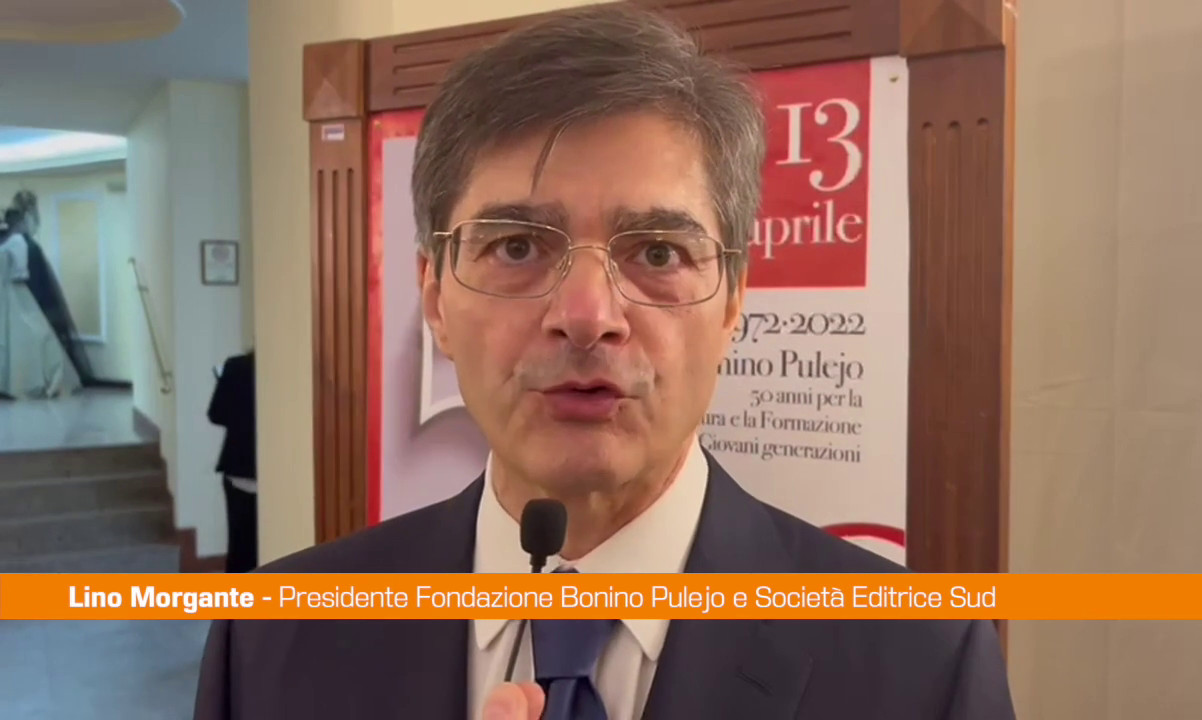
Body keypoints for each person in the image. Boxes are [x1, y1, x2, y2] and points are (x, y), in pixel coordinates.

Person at [193, 6, 1017, 720]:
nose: (587, 316)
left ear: (732, 303)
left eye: (657, 251)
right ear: (435, 298)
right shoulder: (270, 641)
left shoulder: (924, 666)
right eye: (517, 246)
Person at [0, 207, 82, 399]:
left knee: (26, 334)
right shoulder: (12, 242)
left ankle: (29, 379)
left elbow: (19, 271)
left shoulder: (17, 241)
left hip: (13, 292)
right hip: (8, 293)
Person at [208, 349, 258, 573]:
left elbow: (216, 414)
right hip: (276, 470)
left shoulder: (235, 366)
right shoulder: (286, 370)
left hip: (238, 465)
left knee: (238, 544)